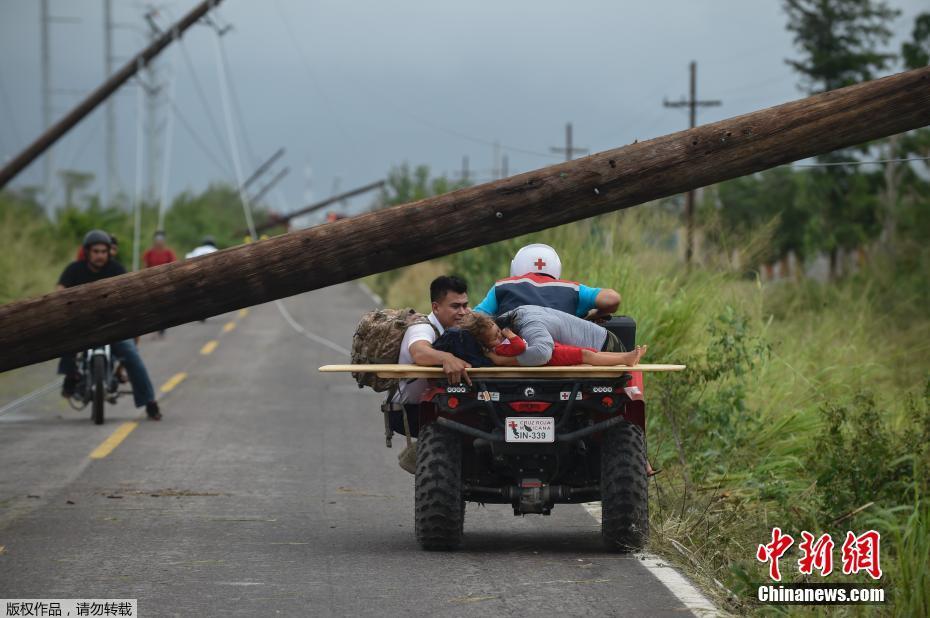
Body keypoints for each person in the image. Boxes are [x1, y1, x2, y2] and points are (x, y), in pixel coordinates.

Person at [57, 230, 162, 420]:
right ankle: (70, 377)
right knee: (66, 342)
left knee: (131, 354)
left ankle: (150, 402)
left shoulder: (117, 269)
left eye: (103, 251)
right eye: (96, 251)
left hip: (113, 327)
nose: (100, 255)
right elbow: (59, 292)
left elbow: (129, 295)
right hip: (82, 327)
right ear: (87, 252)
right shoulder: (74, 269)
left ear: (109, 252)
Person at [389, 275, 472, 438]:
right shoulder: (422, 327)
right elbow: (419, 352)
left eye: (465, 305)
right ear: (436, 308)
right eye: (455, 306)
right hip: (410, 411)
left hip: (438, 404)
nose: (462, 312)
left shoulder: (456, 326)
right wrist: (447, 358)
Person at [472, 243, 621, 320]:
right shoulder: (573, 289)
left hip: (512, 359)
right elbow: (612, 299)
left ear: (515, 266)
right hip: (561, 361)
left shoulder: (501, 287)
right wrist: (592, 315)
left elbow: (476, 318)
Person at [466, 305, 636, 367]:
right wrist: (509, 338)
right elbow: (532, 351)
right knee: (587, 355)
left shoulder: (524, 320)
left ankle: (625, 357)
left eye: (498, 331)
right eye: (494, 337)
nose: (499, 335)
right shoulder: (503, 344)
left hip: (560, 347)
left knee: (589, 352)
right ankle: (624, 358)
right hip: (555, 353)